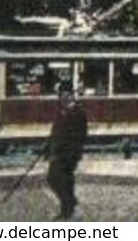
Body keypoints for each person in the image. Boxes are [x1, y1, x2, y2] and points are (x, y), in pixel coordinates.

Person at [45, 83, 88, 220]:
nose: (60, 98)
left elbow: (81, 136)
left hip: (69, 153)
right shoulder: (61, 111)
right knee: (53, 178)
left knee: (63, 180)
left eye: (63, 95)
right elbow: (55, 131)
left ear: (70, 95)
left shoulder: (78, 112)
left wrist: (74, 153)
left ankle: (68, 210)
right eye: (59, 95)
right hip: (57, 151)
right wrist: (48, 145)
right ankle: (68, 205)